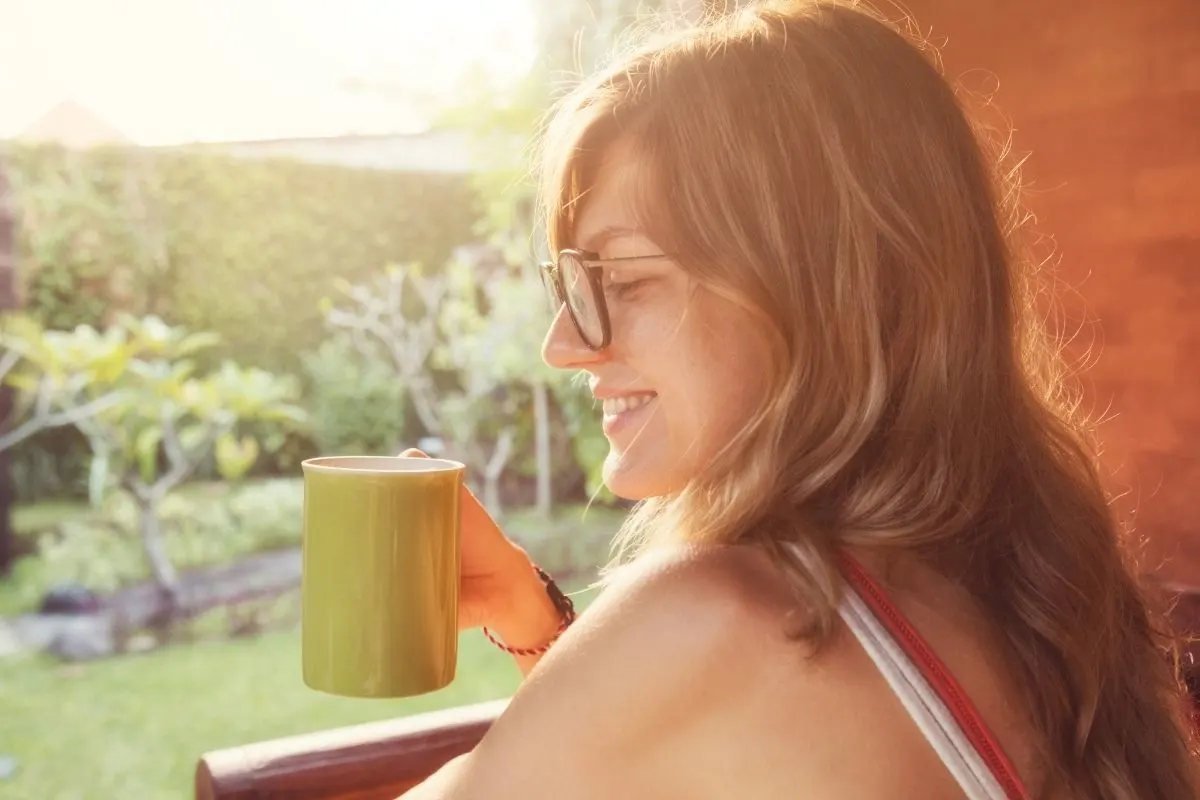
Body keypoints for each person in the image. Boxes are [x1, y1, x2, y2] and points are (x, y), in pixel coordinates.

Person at [401, 1, 1199, 797]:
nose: (566, 345)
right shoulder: (1024, 601)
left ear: (819, 295)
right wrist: (535, 625)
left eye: (625, 281)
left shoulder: (720, 616)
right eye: (573, 286)